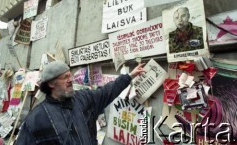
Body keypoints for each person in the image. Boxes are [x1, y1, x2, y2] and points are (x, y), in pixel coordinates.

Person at [15, 60, 145, 145]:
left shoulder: (84, 98)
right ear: (51, 84)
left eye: (70, 75)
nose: (70, 80)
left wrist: (129, 76)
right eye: (64, 77)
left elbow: (107, 91)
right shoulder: (36, 119)